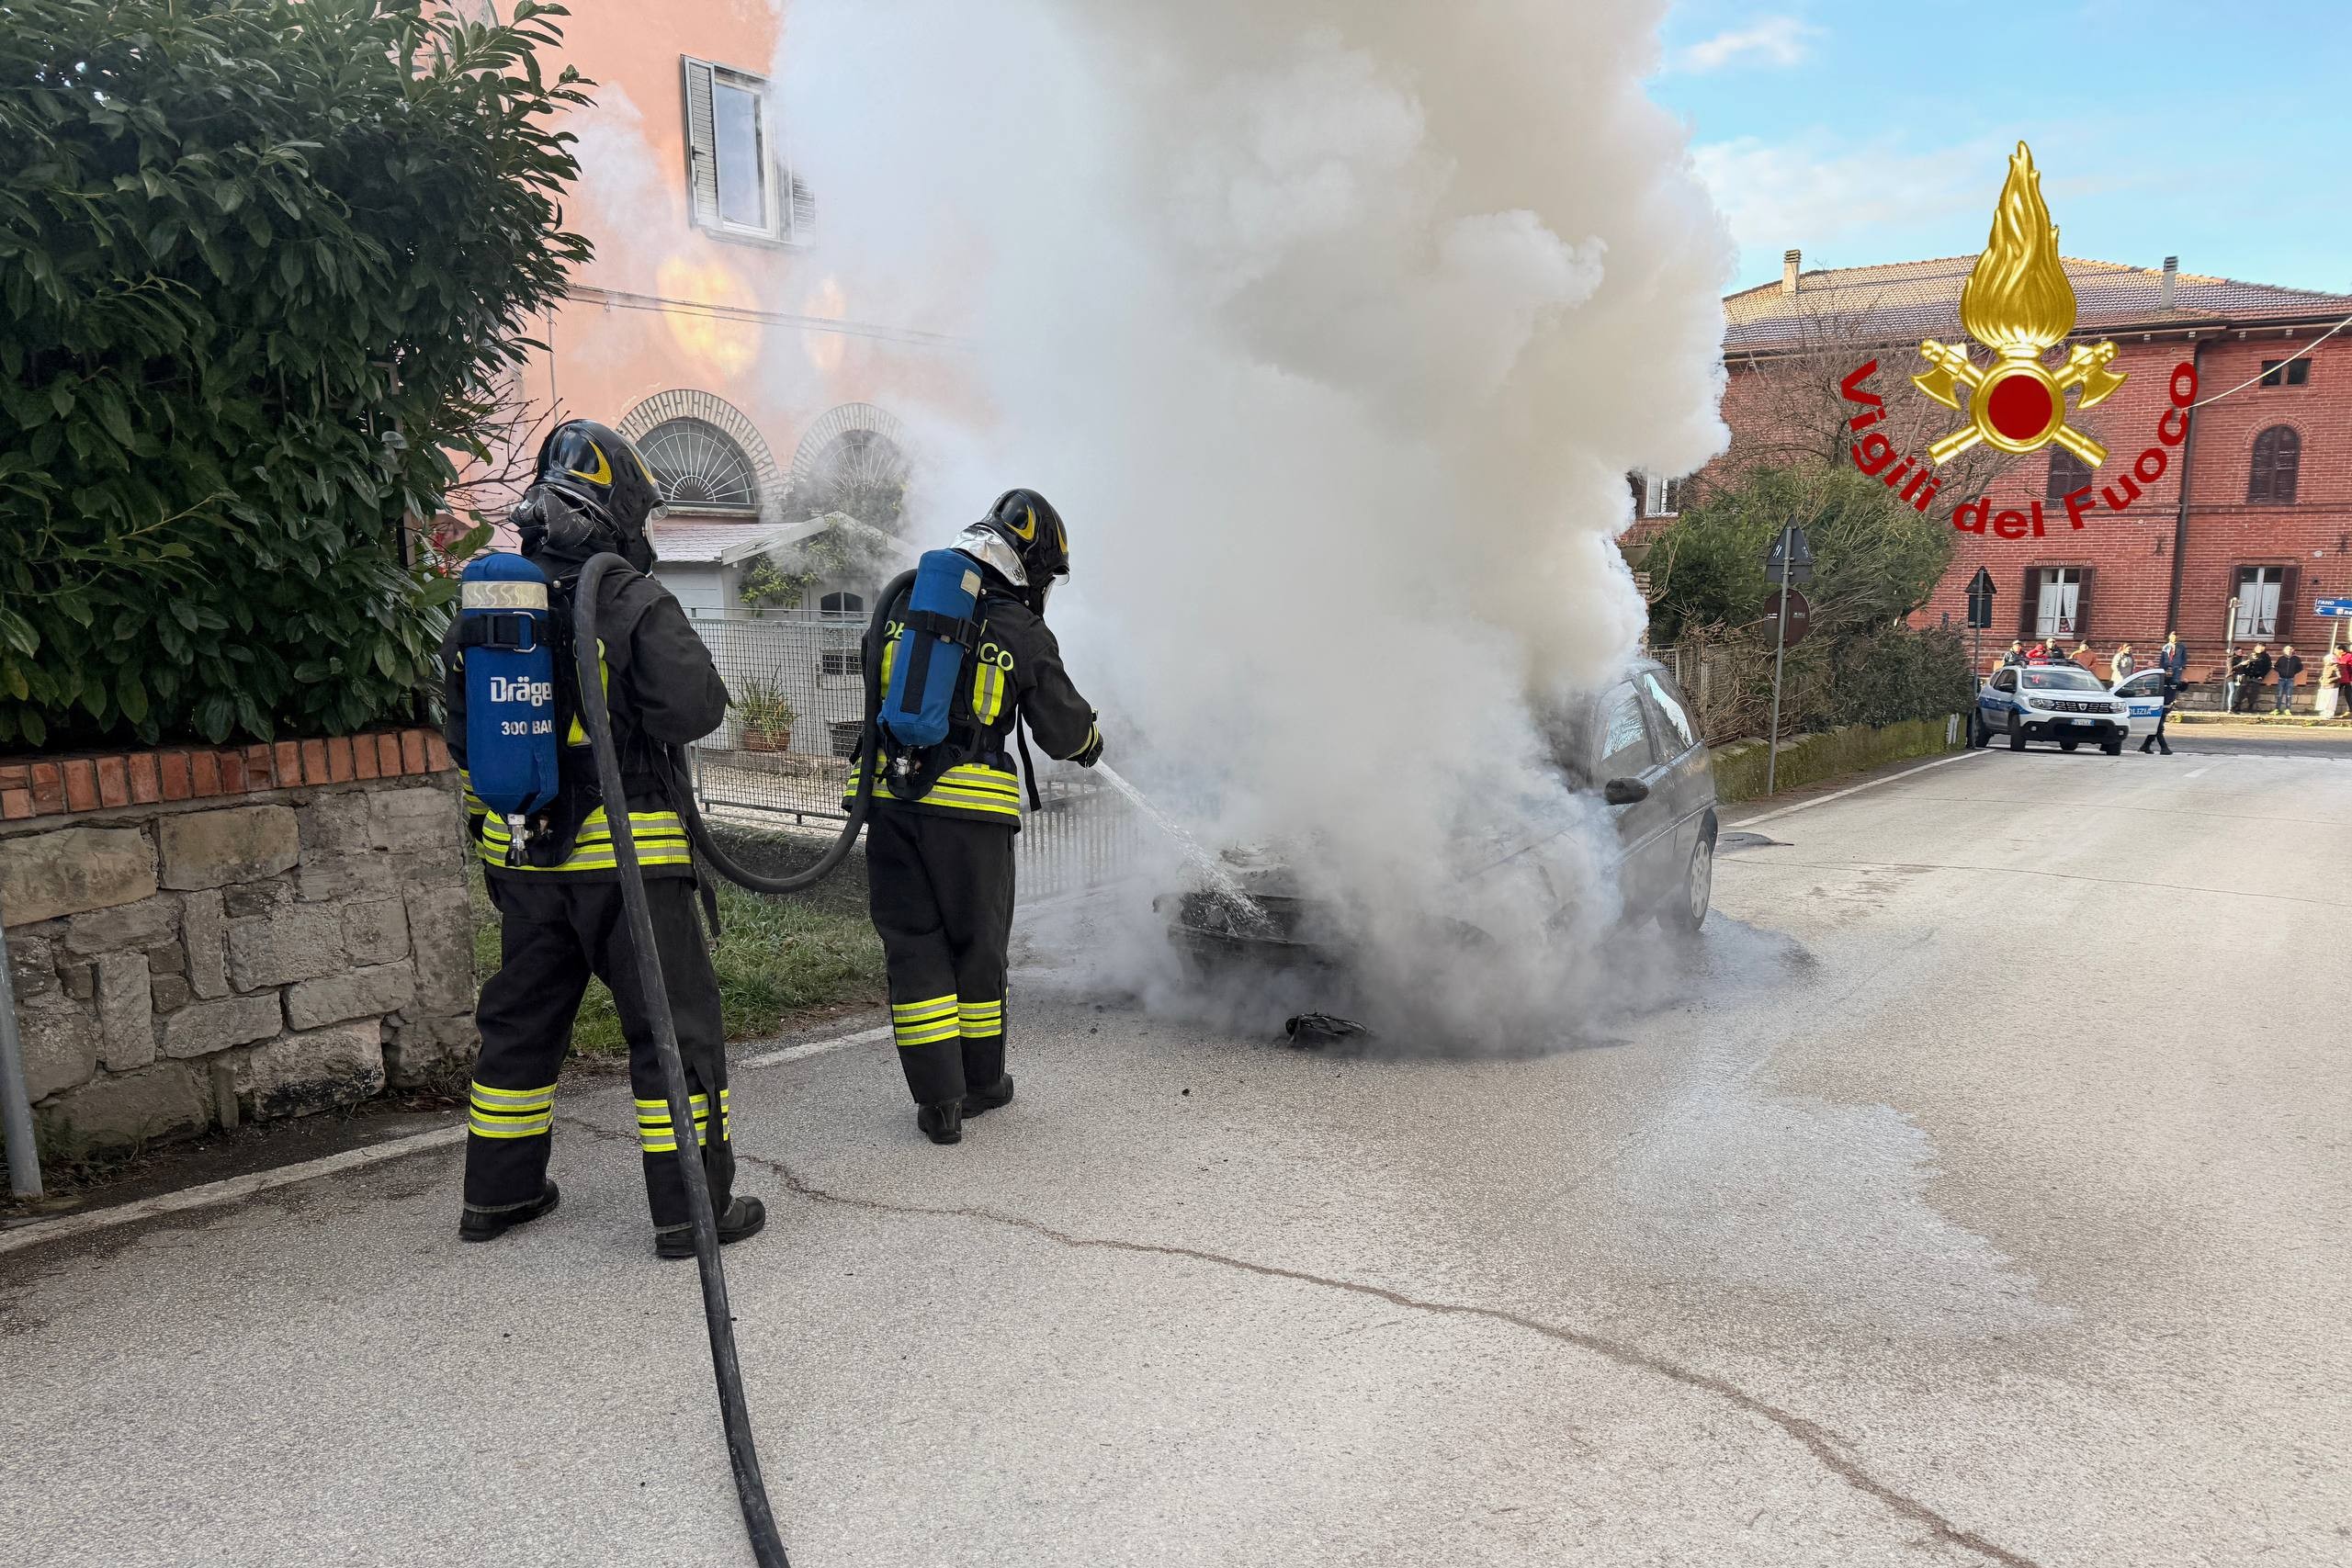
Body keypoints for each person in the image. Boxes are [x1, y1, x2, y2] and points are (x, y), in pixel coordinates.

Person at [444, 419, 764, 1259]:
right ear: (617, 509)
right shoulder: (623, 595)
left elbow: (457, 731)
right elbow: (695, 707)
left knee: (519, 1025)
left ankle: (499, 1194)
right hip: (632, 864)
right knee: (673, 1035)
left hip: (527, 863)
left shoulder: (489, 604)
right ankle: (690, 1211)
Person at [851, 489, 1104, 1145]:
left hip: (891, 804)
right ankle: (983, 1082)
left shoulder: (907, 602)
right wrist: (1089, 744)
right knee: (976, 948)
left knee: (914, 950)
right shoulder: (1017, 627)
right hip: (970, 817)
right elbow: (1061, 724)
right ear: (1029, 563)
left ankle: (938, 1103)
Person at [2233, 644, 2271, 712]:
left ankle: (2250, 706)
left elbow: (2267, 667)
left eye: (2261, 647)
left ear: (2263, 648)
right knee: (2241, 690)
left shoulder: (2266, 657)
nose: (2259, 648)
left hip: (2257, 676)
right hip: (2247, 675)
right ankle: (2237, 705)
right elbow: (2246, 664)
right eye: (2258, 647)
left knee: (2253, 691)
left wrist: (2262, 675)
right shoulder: (2250, 654)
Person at [2274, 646, 2303, 713]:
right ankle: (2277, 709)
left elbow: (2300, 667)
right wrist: (2281, 671)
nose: (2289, 650)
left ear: (2293, 650)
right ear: (2284, 650)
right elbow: (2276, 667)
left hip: (2290, 679)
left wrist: (2293, 672)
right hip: (2281, 679)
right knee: (2279, 695)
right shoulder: (2281, 658)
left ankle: (2287, 709)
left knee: (2289, 695)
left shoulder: (2296, 659)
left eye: (2290, 649)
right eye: (2287, 649)